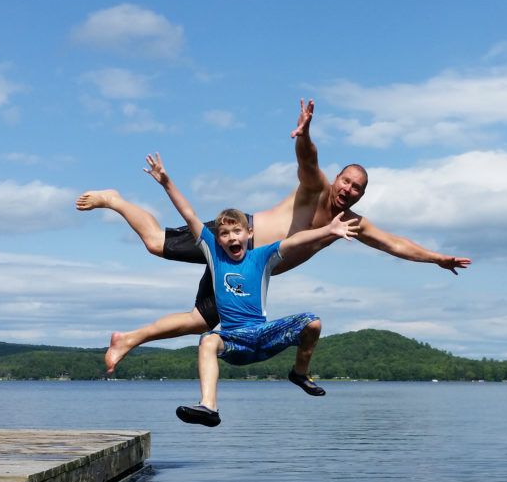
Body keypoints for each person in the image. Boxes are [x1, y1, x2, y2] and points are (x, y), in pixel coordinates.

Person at [76, 99, 471, 374]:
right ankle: (115, 200)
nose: (348, 190)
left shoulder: (351, 222)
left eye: (356, 188)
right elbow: (308, 160)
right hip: (235, 240)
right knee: (155, 243)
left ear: (361, 195)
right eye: (346, 181)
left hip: (247, 273)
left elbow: (395, 244)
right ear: (337, 179)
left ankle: (128, 338)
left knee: (200, 320)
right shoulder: (315, 187)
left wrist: (437, 258)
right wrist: (304, 133)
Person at [151, 160, 359, 427]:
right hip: (233, 343)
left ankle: (299, 373)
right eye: (224, 234)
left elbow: (294, 240)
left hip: (263, 336)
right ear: (217, 239)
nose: (231, 238)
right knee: (207, 341)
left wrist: (328, 230)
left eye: (237, 231)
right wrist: (166, 182)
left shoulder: (262, 256)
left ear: (250, 234)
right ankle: (209, 407)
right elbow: (189, 214)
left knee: (313, 322)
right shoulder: (213, 254)